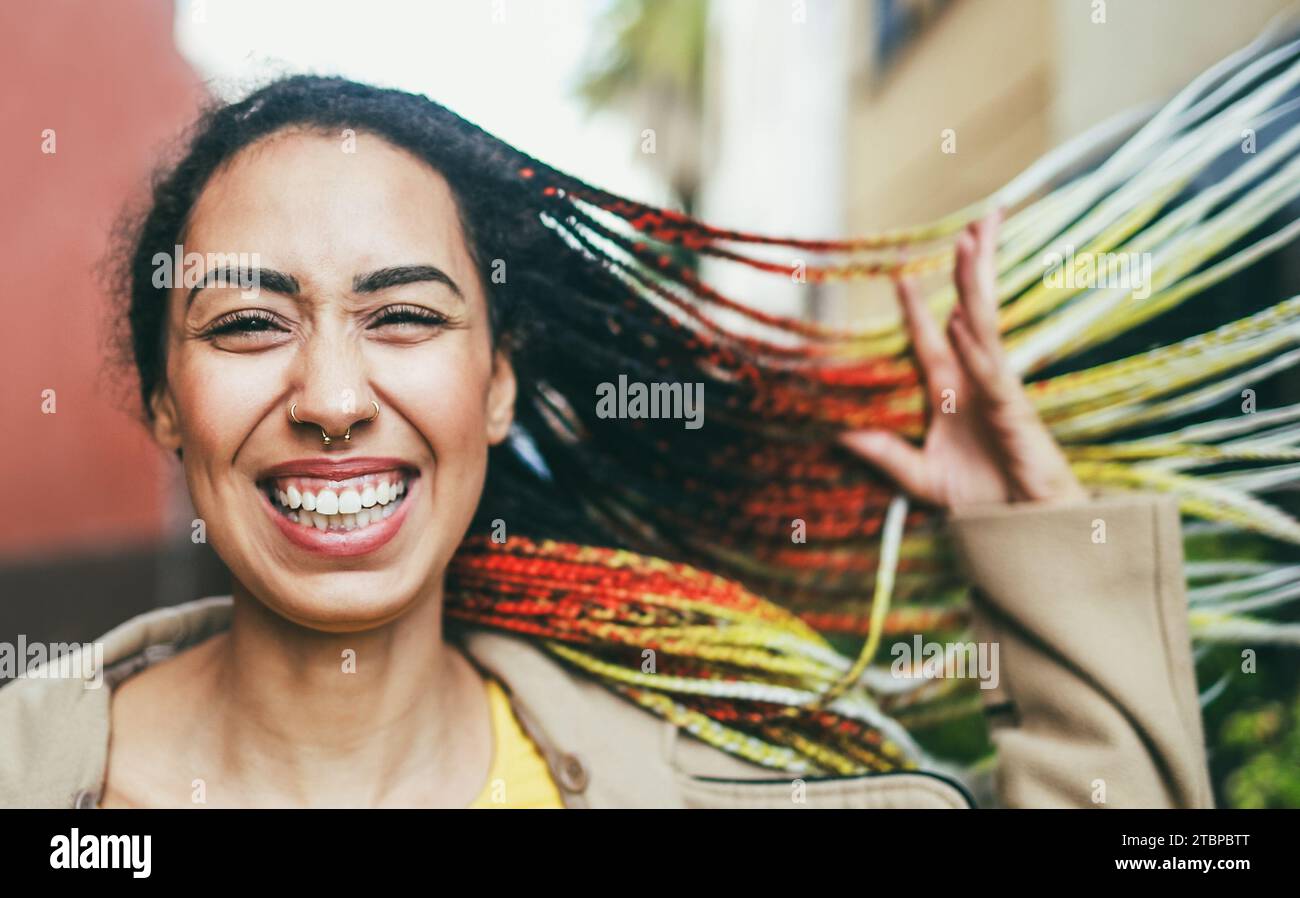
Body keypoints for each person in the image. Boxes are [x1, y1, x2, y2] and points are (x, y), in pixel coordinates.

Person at [0, 77, 1213, 808]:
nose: (330, 395)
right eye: (251, 322)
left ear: (496, 385)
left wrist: (1048, 538)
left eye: (407, 315)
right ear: (166, 401)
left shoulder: (703, 791)